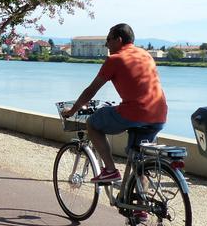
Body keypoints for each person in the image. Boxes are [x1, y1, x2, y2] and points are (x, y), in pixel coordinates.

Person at [61, 23, 168, 183]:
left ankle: (110, 170)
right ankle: (140, 204)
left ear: (118, 40)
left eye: (108, 40)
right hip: (159, 114)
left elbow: (91, 90)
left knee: (93, 124)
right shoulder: (145, 55)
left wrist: (72, 110)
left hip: (135, 113)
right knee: (139, 163)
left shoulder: (115, 59)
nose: (106, 44)